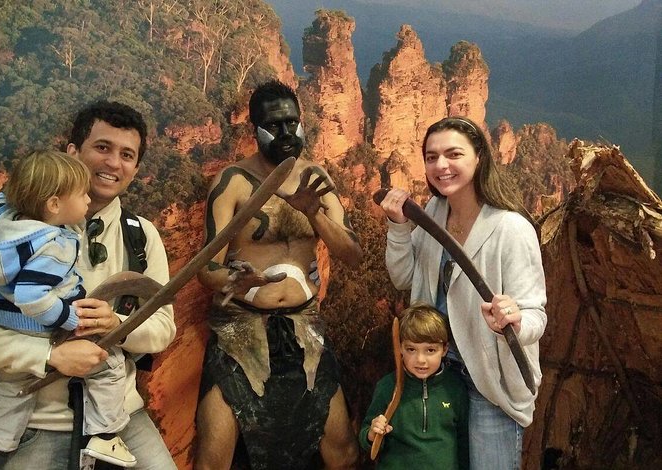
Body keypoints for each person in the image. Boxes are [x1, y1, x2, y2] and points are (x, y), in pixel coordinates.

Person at [0, 101, 177, 469]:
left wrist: (117, 326)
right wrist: (48, 356)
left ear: (135, 169)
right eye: (102, 147)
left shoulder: (142, 236)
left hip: (121, 419)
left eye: (127, 155)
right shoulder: (15, 232)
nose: (113, 163)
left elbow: (163, 328)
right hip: (35, 423)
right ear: (73, 152)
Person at [195, 80, 362, 469]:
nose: (287, 133)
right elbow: (205, 267)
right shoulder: (233, 182)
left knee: (343, 452)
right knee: (214, 457)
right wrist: (236, 280)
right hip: (240, 328)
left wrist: (314, 212)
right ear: (254, 130)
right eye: (274, 125)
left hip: (305, 328)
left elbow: (352, 254)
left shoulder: (316, 178)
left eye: (292, 122)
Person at [379, 116, 547, 470]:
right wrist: (398, 227)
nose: (441, 165)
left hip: (488, 382)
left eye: (454, 154)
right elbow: (404, 278)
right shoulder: (434, 212)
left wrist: (514, 320)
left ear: (479, 157)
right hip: (437, 374)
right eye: (432, 157)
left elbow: (536, 315)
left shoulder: (511, 229)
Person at [0, 150, 136, 468]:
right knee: (108, 363)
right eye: (82, 195)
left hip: (3, 319)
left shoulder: (1, 221)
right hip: (41, 323)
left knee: (10, 385)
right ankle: (104, 435)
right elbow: (32, 297)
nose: (87, 200)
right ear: (55, 205)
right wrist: (70, 319)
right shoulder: (54, 246)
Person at [359, 302, 469, 469]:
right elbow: (366, 437)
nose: (420, 360)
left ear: (445, 349)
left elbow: (463, 442)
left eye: (430, 350)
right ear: (400, 348)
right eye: (411, 349)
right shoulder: (387, 386)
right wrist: (372, 434)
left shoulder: (455, 388)